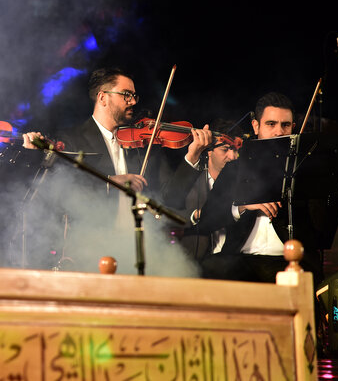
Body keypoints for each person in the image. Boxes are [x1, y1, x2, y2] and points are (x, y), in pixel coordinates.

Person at [23, 67, 213, 273]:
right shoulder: (71, 139)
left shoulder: (142, 143)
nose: (133, 101)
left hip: (137, 249)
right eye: (126, 95)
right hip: (89, 249)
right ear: (102, 98)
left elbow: (172, 197)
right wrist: (109, 182)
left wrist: (192, 155)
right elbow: (64, 192)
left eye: (134, 96)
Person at [197, 92, 331, 283]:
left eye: (285, 125)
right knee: (210, 269)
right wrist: (243, 206)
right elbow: (207, 221)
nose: (278, 132)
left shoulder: (305, 169)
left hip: (289, 262)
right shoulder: (235, 169)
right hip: (241, 260)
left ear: (293, 128)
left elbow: (321, 229)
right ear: (256, 126)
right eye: (271, 124)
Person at [174, 119, 241, 260]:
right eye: (225, 149)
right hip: (194, 260)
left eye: (235, 150)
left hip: (232, 261)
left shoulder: (242, 183)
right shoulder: (190, 181)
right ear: (209, 152)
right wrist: (196, 216)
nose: (232, 156)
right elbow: (171, 211)